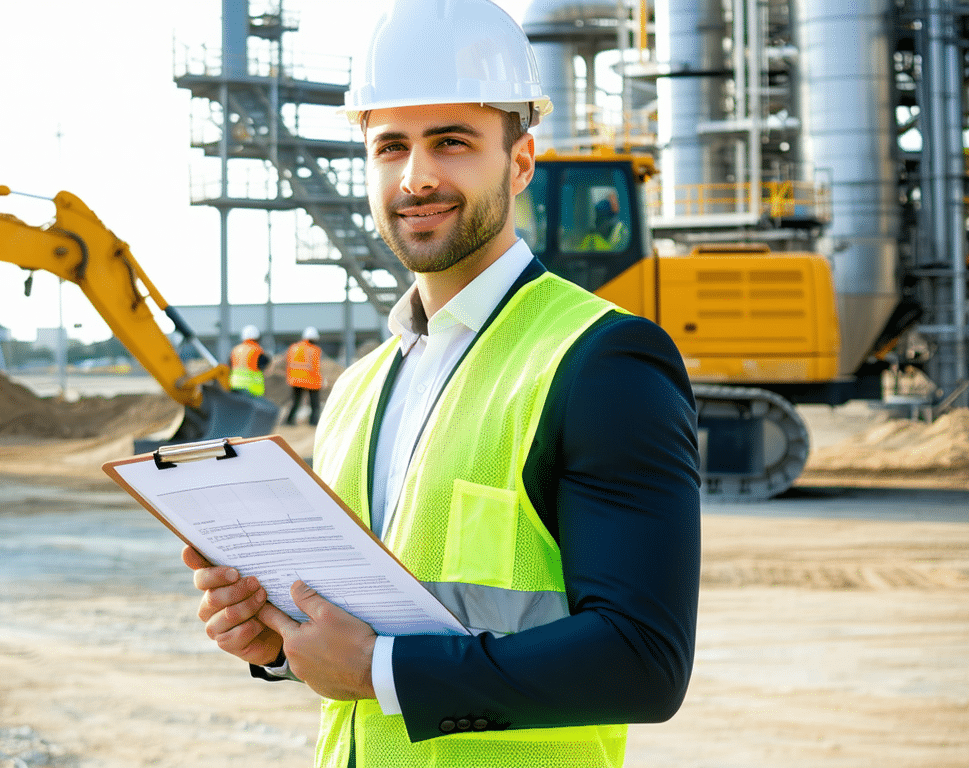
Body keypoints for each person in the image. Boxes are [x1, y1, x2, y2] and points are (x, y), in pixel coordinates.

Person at [184, 1, 700, 766]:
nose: (417, 176)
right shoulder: (357, 390)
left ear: (520, 162)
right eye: (390, 146)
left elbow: (644, 662)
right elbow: (370, 628)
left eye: (451, 142)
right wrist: (282, 640)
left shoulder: (599, 361)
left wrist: (378, 670)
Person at [283, 326, 324, 426]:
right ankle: (313, 422)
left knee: (295, 402)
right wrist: (320, 381)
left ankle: (288, 421)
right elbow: (315, 367)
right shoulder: (315, 350)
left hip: (295, 379)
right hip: (311, 380)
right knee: (314, 404)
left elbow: (288, 362)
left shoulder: (293, 347)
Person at [229, 324, 270, 397]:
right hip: (253, 389)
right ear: (258, 338)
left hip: (235, 387)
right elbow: (265, 363)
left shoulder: (235, 350)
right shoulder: (257, 350)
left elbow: (229, 367)